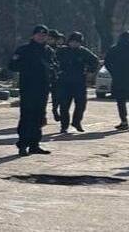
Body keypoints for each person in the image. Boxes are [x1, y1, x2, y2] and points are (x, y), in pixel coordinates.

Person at [8, 25, 55, 156]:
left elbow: (54, 66)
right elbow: (12, 65)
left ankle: (35, 145)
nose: (41, 37)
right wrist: (27, 66)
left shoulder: (49, 51)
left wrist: (53, 73)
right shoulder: (24, 50)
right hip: (28, 87)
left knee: (39, 116)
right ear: (33, 36)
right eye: (39, 35)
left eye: (44, 35)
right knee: (27, 116)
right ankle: (23, 145)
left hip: (43, 87)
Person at [53, 32, 100, 133]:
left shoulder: (83, 52)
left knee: (81, 104)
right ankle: (64, 125)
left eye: (77, 42)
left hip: (79, 81)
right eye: (72, 41)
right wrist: (57, 71)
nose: (74, 44)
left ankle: (76, 122)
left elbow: (95, 61)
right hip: (64, 82)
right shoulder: (62, 51)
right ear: (69, 42)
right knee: (64, 105)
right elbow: (53, 61)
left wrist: (89, 71)